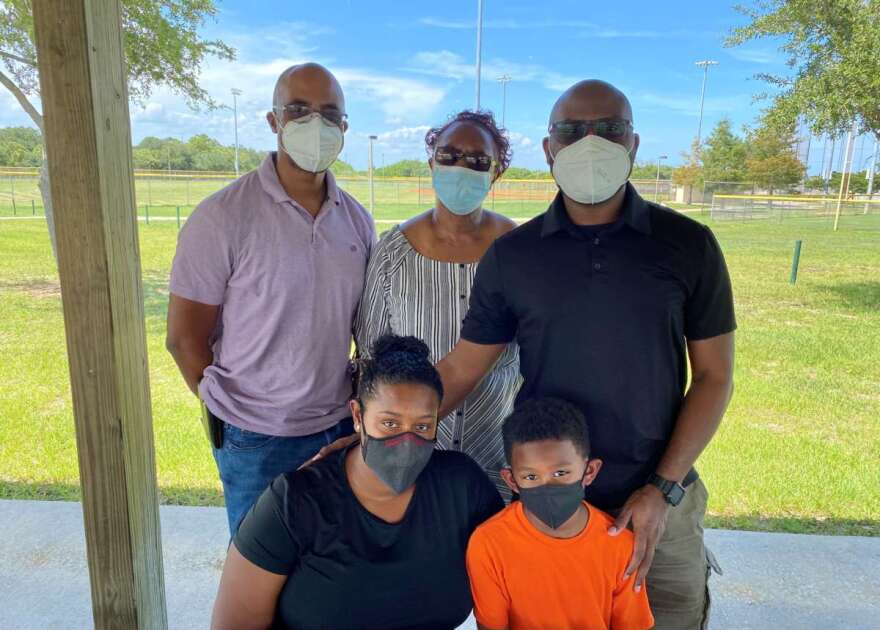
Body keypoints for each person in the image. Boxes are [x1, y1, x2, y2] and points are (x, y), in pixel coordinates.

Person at [435, 80, 736, 629]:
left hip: (660, 504)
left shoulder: (688, 244)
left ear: (634, 144)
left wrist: (662, 491)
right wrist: (382, 431)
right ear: (549, 150)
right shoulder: (513, 257)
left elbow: (715, 378)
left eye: (609, 129)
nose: (590, 142)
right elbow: (462, 367)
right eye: (572, 131)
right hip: (553, 500)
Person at [165, 63, 375, 535]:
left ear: (344, 127)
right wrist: (234, 410)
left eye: (328, 114)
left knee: (329, 563)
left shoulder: (357, 222)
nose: (314, 125)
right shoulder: (222, 217)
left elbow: (361, 325)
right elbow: (183, 339)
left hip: (337, 428)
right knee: (257, 575)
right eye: (298, 110)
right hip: (254, 438)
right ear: (273, 120)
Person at [210, 334, 504, 630]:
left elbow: (513, 572)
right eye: (390, 423)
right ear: (357, 416)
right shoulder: (293, 503)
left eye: (422, 426)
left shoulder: (463, 489)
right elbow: (235, 623)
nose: (406, 440)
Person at [355, 110, 520, 497]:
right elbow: (370, 357)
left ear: (495, 173)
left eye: (478, 161)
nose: (461, 167)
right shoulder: (394, 251)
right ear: (431, 163)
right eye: (449, 156)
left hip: (497, 453)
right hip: (411, 454)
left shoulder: (520, 250)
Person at [467, 398, 654, 630]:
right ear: (512, 480)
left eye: (561, 472)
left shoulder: (621, 545)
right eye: (531, 477)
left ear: (590, 471)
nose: (548, 486)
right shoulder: (489, 543)